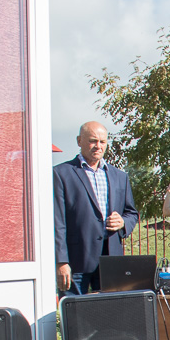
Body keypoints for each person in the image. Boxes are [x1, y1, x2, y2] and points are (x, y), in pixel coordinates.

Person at [53, 121, 139, 295]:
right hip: (76, 262)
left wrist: (123, 222)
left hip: (111, 261)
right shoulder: (61, 174)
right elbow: (57, 221)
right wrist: (61, 261)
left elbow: (131, 213)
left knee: (109, 315)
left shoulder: (119, 176)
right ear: (79, 141)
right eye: (93, 141)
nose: (98, 146)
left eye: (102, 142)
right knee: (76, 315)